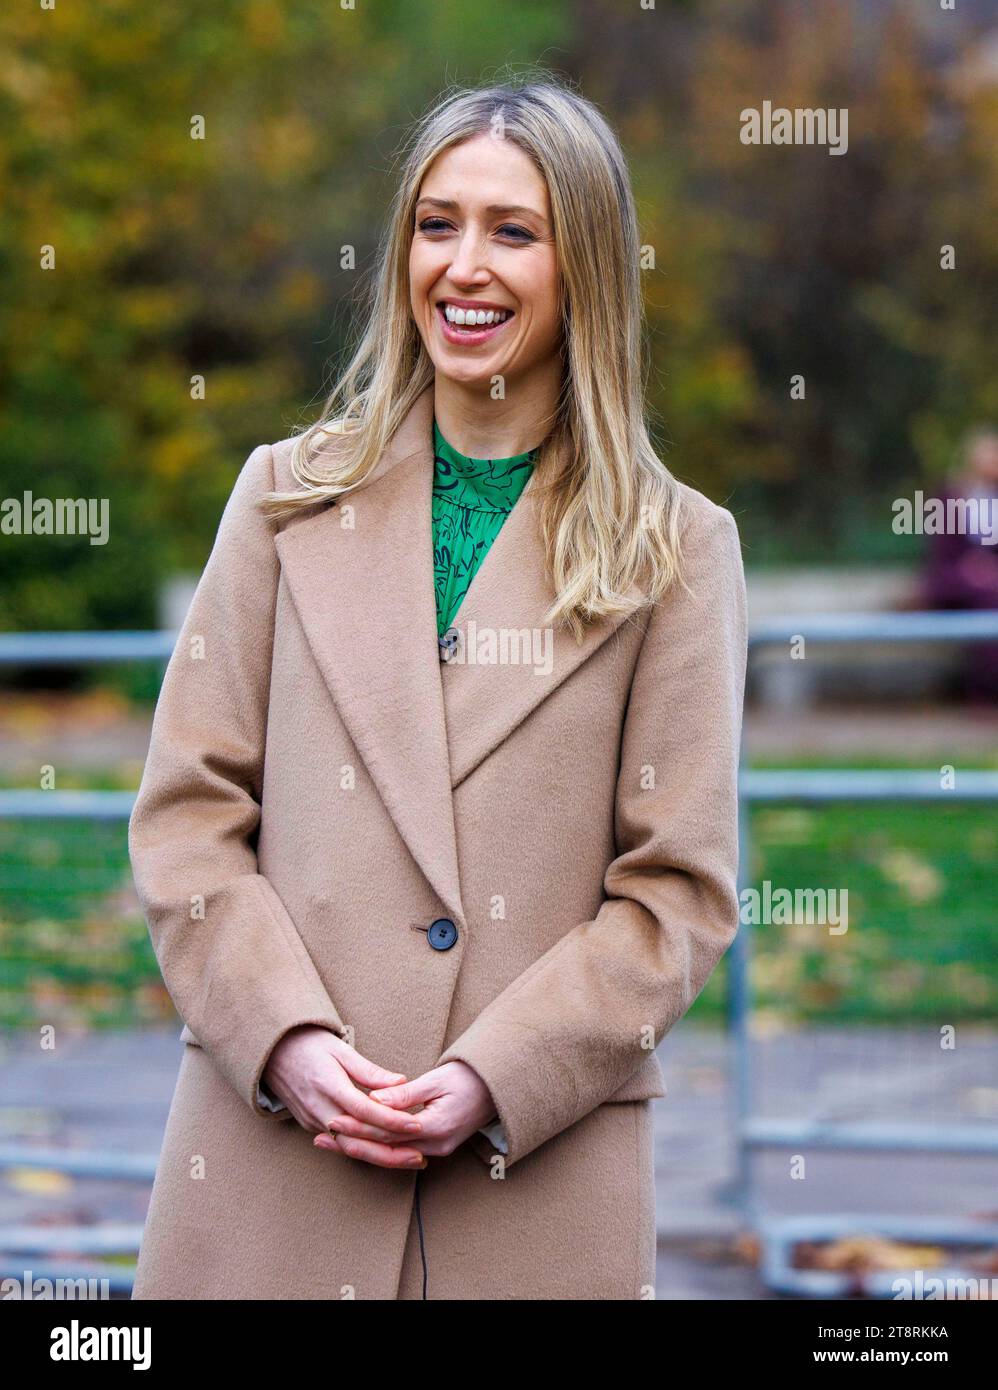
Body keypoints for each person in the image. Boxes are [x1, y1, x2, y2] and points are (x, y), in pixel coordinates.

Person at [128, 72, 748, 1301]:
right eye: (435, 223)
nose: (462, 266)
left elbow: (675, 894)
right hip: (272, 1166)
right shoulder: (282, 495)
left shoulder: (675, 548)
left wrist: (496, 1075)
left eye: (511, 231)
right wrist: (285, 1037)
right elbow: (189, 815)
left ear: (585, 269)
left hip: (530, 1187)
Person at [918, 426, 998, 703]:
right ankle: (985, 691)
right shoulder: (950, 498)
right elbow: (941, 557)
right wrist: (971, 570)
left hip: (988, 586)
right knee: (989, 602)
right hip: (955, 583)